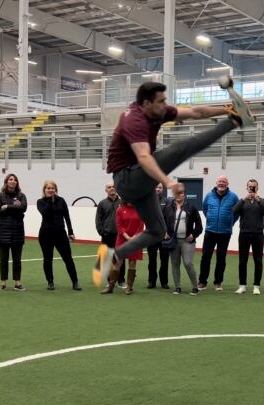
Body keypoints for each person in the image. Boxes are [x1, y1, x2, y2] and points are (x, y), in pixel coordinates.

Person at [100, 81, 252, 287]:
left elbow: (195, 112)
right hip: (128, 178)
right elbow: (144, 157)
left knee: (156, 230)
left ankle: (116, 256)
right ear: (146, 103)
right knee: (184, 147)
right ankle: (233, 123)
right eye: (161, 101)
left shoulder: (157, 111)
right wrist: (168, 182)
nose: (165, 105)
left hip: (141, 182)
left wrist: (226, 108)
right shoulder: (134, 121)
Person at [37, 180, 81, 291]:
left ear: (55, 190)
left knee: (68, 258)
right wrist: (50, 201)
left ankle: (75, 282)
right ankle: (50, 282)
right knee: (48, 259)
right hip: (45, 235)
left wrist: (70, 232)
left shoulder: (61, 201)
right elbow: (45, 212)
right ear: (44, 190)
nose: (51, 190)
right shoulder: (40, 202)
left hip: (60, 234)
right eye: (48, 188)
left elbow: (67, 216)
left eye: (53, 188)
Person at [198, 175, 239, 291]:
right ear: (216, 183)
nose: (222, 183)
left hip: (225, 232)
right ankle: (202, 282)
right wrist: (211, 219)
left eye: (224, 182)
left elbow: (237, 213)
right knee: (205, 257)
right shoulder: (209, 196)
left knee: (221, 258)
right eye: (220, 181)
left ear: (227, 184)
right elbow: (205, 209)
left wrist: (230, 223)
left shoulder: (233, 197)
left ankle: (218, 282)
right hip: (210, 231)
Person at [233, 178, 264, 295]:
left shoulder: (262, 200)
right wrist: (243, 199)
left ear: (257, 188)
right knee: (242, 261)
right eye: (250, 187)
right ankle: (242, 285)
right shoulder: (243, 201)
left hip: (258, 235)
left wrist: (258, 200)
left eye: (254, 187)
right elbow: (234, 210)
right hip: (244, 234)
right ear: (247, 188)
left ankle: (256, 286)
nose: (252, 188)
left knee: (258, 261)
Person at [164, 183, 203, 296]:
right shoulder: (168, 206)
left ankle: (195, 287)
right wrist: (164, 232)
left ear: (184, 194)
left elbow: (199, 225)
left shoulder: (191, 207)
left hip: (187, 241)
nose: (179, 195)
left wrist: (194, 235)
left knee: (188, 263)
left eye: (181, 193)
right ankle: (177, 287)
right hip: (173, 240)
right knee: (175, 264)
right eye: (176, 193)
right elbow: (162, 221)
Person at [102, 201, 144, 295]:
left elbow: (141, 226)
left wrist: (134, 237)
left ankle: (129, 287)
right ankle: (111, 286)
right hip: (122, 239)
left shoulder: (141, 210)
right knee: (117, 263)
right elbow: (119, 225)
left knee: (132, 264)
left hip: (136, 240)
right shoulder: (120, 210)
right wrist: (127, 237)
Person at [95, 182, 125, 288]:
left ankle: (121, 281)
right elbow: (98, 220)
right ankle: (110, 280)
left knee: (121, 258)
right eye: (109, 187)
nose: (112, 188)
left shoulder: (122, 202)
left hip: (120, 235)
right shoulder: (102, 203)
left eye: (113, 187)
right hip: (107, 235)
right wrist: (102, 232)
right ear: (106, 190)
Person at [146, 183, 170, 289]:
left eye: (159, 187)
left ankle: (164, 282)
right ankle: (151, 281)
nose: (157, 189)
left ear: (162, 189)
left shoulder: (168, 202)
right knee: (152, 260)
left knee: (164, 260)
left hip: (164, 236)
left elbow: (170, 218)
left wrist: (166, 232)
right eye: (155, 187)